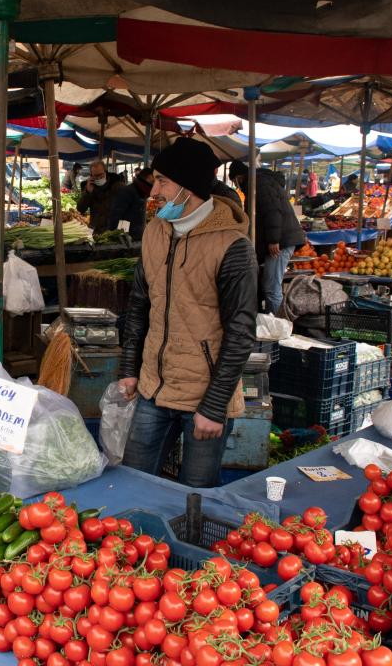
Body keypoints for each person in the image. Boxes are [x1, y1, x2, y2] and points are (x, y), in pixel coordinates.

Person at [118, 139, 257, 488]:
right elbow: (138, 304)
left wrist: (213, 406)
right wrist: (130, 369)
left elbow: (241, 332)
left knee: (195, 497)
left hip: (204, 395)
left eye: (163, 181)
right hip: (153, 387)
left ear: (188, 187)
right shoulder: (155, 232)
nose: (155, 190)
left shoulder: (233, 246)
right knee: (133, 484)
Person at [256, 168, 306, 314]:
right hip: (283, 239)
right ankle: (274, 320)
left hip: (281, 242)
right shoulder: (266, 183)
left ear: (239, 177)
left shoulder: (262, 185)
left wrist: (273, 240)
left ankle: (278, 325)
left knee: (272, 288)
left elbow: (273, 212)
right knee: (270, 285)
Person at [76, 159, 125, 234]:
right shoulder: (89, 186)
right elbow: (80, 209)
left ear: (105, 171)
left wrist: (123, 229)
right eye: (95, 176)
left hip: (114, 229)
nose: (98, 178)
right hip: (95, 230)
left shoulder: (117, 185)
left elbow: (127, 208)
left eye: (100, 174)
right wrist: (88, 192)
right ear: (91, 175)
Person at [109, 167, 152, 239]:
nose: (153, 185)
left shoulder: (142, 193)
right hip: (127, 241)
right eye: (152, 182)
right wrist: (122, 236)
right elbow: (116, 216)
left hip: (138, 238)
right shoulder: (127, 191)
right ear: (144, 179)